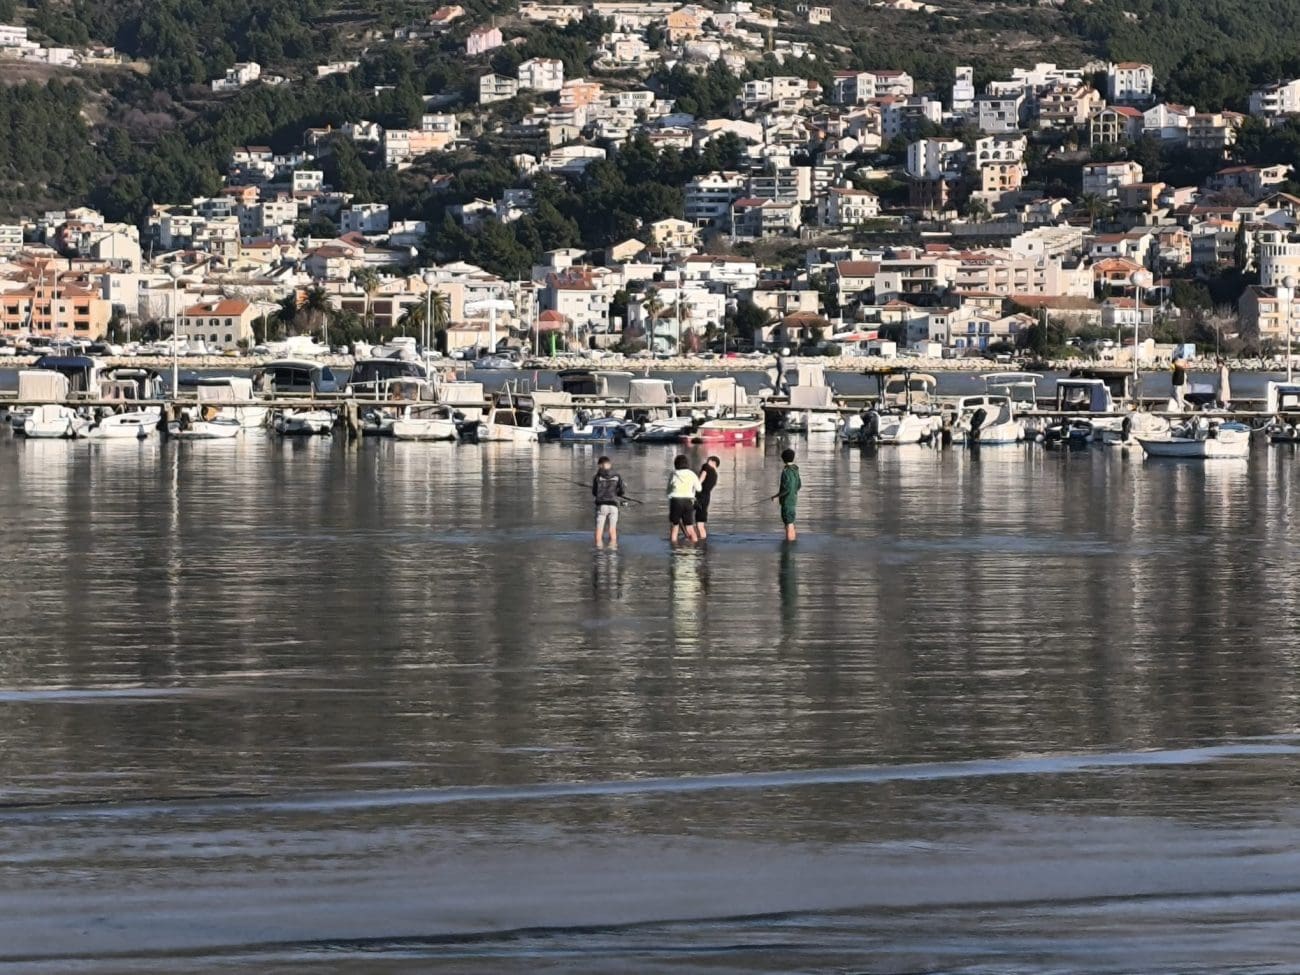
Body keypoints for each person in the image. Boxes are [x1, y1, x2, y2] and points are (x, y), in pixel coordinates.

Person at [591, 456, 625, 548]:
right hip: (614, 505)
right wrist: (616, 493)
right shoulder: (617, 476)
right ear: (609, 464)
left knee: (599, 530)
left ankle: (599, 551)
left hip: (601, 506)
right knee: (612, 530)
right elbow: (622, 491)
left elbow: (594, 492)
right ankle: (613, 551)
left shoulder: (597, 477)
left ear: (600, 465)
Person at [666, 454, 701, 544]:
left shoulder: (673, 474)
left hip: (676, 501)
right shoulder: (692, 474)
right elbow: (699, 488)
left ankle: (674, 547)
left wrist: (669, 495)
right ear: (687, 463)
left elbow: (669, 488)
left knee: (675, 526)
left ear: (675, 464)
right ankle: (695, 546)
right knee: (690, 527)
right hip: (688, 502)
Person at [774, 447, 801, 542]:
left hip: (787, 501)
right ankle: (792, 541)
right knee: (791, 522)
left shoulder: (786, 471)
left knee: (788, 522)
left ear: (783, 459)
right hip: (793, 500)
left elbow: (787, 488)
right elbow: (798, 485)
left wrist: (777, 496)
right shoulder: (795, 470)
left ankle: (789, 544)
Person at [695, 455, 720, 540]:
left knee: (685, 515)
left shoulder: (706, 467)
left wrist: (694, 487)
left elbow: (702, 478)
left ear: (713, 462)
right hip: (706, 498)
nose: (706, 462)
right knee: (700, 523)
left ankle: (695, 539)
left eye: (708, 460)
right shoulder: (715, 475)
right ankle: (702, 540)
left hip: (699, 496)